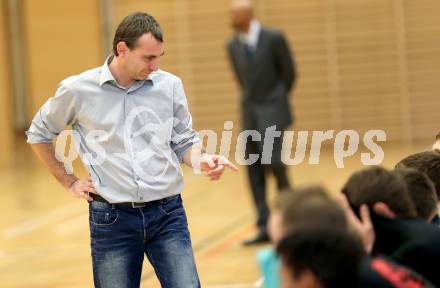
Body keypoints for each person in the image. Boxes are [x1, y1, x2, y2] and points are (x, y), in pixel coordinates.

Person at [26, 12, 237, 288]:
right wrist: (70, 182)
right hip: (112, 220)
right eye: (149, 57)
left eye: (160, 56)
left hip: (168, 213)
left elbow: (183, 140)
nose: (156, 65)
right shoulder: (78, 90)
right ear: (122, 49)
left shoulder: (169, 86)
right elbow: (38, 134)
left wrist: (202, 159)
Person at [227, 0, 297, 245]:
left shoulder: (274, 38)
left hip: (274, 112)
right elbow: (242, 80)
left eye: (235, 14)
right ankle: (264, 225)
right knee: (254, 170)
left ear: (248, 15)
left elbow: (289, 73)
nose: (232, 18)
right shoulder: (232, 45)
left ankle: (289, 222)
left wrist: (274, 102)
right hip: (250, 115)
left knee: (275, 164)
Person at [342, 166, 440, 287]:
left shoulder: (414, 250)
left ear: (381, 211)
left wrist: (363, 252)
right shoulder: (425, 236)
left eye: (356, 219)